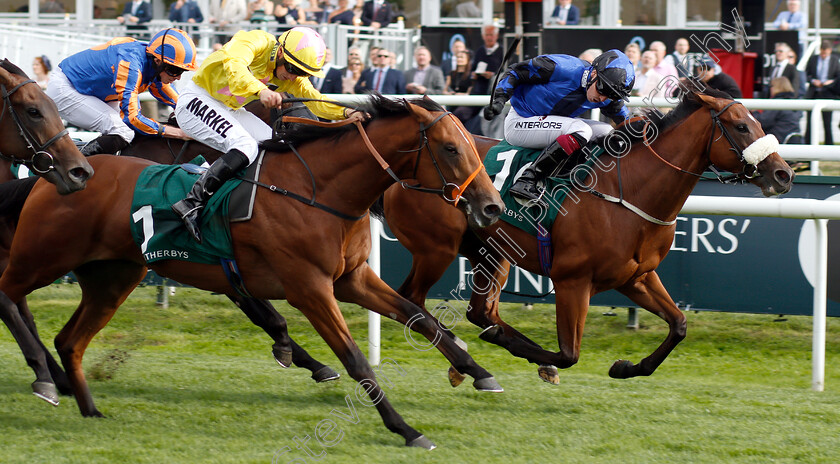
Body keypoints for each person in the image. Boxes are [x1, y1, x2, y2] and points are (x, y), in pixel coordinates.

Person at [172, 27, 365, 243]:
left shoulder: (292, 76)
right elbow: (235, 67)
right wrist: (261, 90)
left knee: (275, 144)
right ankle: (191, 203)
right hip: (195, 100)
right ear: (281, 51)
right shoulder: (254, 39)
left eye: (302, 73)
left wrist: (348, 111)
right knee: (245, 145)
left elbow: (315, 100)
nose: (293, 76)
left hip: (228, 108)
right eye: (292, 68)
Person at [483, 49, 635, 203]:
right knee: (582, 130)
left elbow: (628, 123)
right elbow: (516, 71)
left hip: (551, 125)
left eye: (612, 95)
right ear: (594, 74)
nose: (603, 98)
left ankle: (580, 177)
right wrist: (499, 99)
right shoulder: (562, 68)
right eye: (603, 89)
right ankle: (528, 180)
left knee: (607, 132)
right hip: (520, 122)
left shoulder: (607, 96)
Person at [45, 28, 195, 157]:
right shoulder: (130, 64)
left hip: (91, 91)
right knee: (124, 131)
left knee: (129, 131)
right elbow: (133, 118)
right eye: (175, 70)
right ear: (157, 61)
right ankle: (71, 164)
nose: (178, 77)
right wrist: (179, 133)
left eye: (182, 71)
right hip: (65, 87)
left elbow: (179, 102)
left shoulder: (155, 65)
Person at [804, 40, 840, 145]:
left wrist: (830, 82)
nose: (824, 55)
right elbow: (807, 74)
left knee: (827, 122)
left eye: (826, 52)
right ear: (820, 50)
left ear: (829, 51)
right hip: (814, 92)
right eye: (822, 52)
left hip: (828, 92)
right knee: (809, 122)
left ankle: (829, 145)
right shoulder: (814, 59)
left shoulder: (834, 60)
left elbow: (837, 76)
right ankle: (808, 144)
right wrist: (813, 81)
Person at [752, 77, 802, 144]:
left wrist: (755, 112)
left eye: (771, 86)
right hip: (793, 139)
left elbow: (762, 122)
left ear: (776, 87)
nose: (770, 89)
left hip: (778, 140)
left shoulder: (777, 103)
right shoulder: (793, 102)